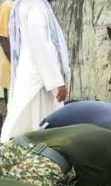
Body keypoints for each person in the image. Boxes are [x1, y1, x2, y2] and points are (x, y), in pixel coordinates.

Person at [0, 0, 68, 142]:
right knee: (39, 123)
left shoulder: (28, 4)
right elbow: (41, 46)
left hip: (34, 72)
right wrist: (56, 82)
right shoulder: (35, 6)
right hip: (39, 76)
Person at [0, 0, 13, 100]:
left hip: (17, 59)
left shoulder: (18, 5)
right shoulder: (7, 6)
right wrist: (13, 61)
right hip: (8, 59)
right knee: (10, 97)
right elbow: (3, 37)